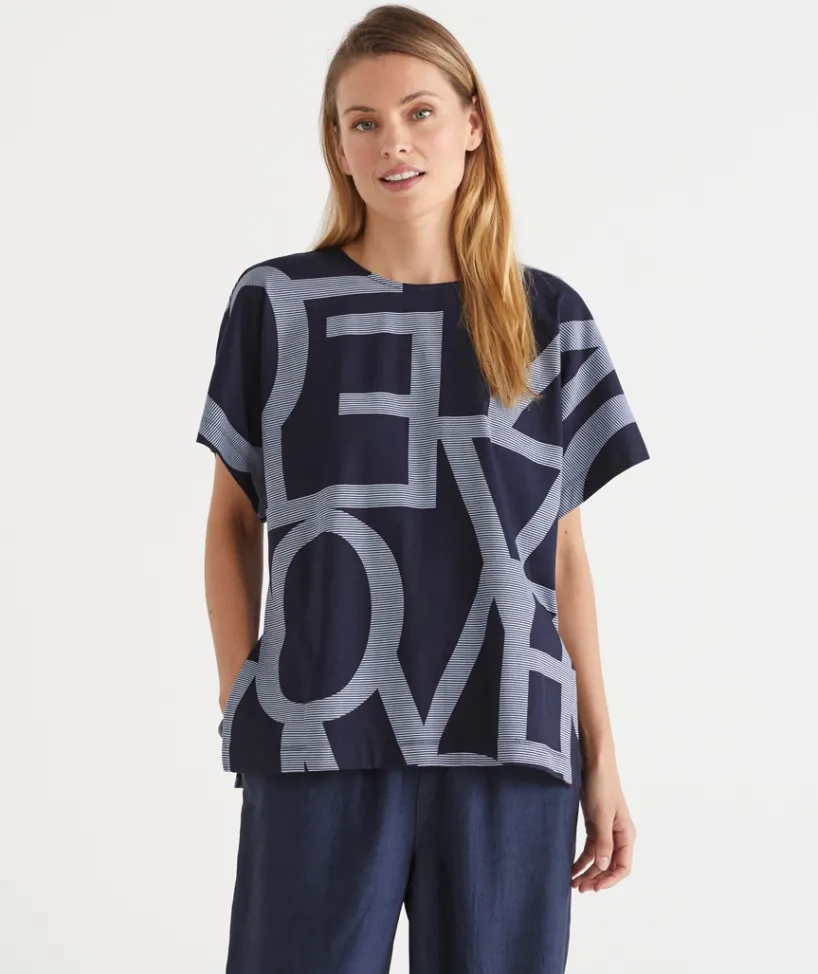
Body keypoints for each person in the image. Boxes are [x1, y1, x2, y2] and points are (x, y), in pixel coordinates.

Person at [195, 5, 650, 972]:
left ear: (473, 123)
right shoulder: (277, 303)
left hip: (509, 740)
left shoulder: (547, 317)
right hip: (317, 735)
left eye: (419, 112)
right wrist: (243, 693)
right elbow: (233, 516)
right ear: (338, 146)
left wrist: (602, 754)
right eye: (363, 122)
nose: (393, 142)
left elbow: (563, 554)